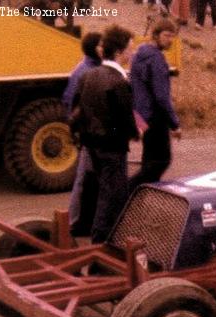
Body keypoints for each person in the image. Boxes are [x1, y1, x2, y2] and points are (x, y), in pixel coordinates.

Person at [71, 25, 138, 243]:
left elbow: (77, 110)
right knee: (113, 196)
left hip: (92, 143)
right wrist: (134, 133)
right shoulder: (119, 81)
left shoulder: (89, 75)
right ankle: (102, 243)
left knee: (98, 190)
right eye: (130, 48)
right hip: (112, 147)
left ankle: (92, 232)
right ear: (119, 52)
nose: (132, 53)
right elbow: (125, 118)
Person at [129, 19, 181, 193]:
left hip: (140, 114)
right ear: (156, 35)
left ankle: (139, 201)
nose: (170, 40)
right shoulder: (157, 59)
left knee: (149, 160)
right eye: (166, 35)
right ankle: (126, 193)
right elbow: (161, 96)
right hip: (154, 117)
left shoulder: (138, 54)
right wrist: (174, 123)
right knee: (161, 161)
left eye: (172, 36)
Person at [63, 32, 102, 237]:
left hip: (85, 129)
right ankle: (74, 222)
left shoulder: (85, 67)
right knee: (83, 177)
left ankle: (83, 219)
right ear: (96, 49)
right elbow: (75, 102)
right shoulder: (89, 71)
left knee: (88, 175)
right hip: (89, 130)